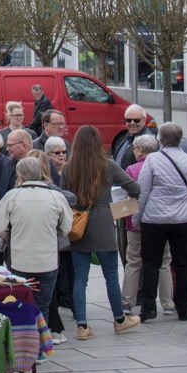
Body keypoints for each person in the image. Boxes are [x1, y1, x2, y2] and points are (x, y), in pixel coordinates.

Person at [62, 125, 141, 338]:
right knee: (111, 276)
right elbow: (135, 188)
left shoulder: (69, 168)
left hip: (79, 224)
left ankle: (82, 325)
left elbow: (63, 195)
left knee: (79, 278)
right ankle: (119, 320)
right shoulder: (108, 165)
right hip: (104, 221)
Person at [0, 156, 71, 325]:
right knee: (43, 305)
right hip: (48, 259)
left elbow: (0, 229)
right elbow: (66, 228)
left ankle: (24, 340)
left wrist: (14, 236)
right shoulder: (56, 197)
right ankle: (42, 341)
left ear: (19, 176)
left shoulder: (11, 196)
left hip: (20, 260)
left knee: (21, 303)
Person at [135, 123, 187, 322]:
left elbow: (143, 191)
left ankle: (148, 307)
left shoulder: (152, 159)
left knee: (151, 263)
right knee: (183, 264)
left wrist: (137, 217)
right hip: (184, 218)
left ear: (160, 139)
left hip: (155, 218)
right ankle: (184, 307)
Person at [121, 135, 172, 318]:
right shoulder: (163, 166)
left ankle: (127, 302)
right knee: (164, 261)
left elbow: (127, 195)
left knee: (133, 262)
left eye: (135, 149)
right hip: (160, 221)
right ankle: (167, 303)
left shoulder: (132, 169)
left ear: (140, 150)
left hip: (136, 223)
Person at [110, 105, 152, 169]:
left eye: (136, 120)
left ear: (144, 120)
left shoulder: (147, 142)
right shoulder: (127, 136)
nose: (132, 123)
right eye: (128, 120)